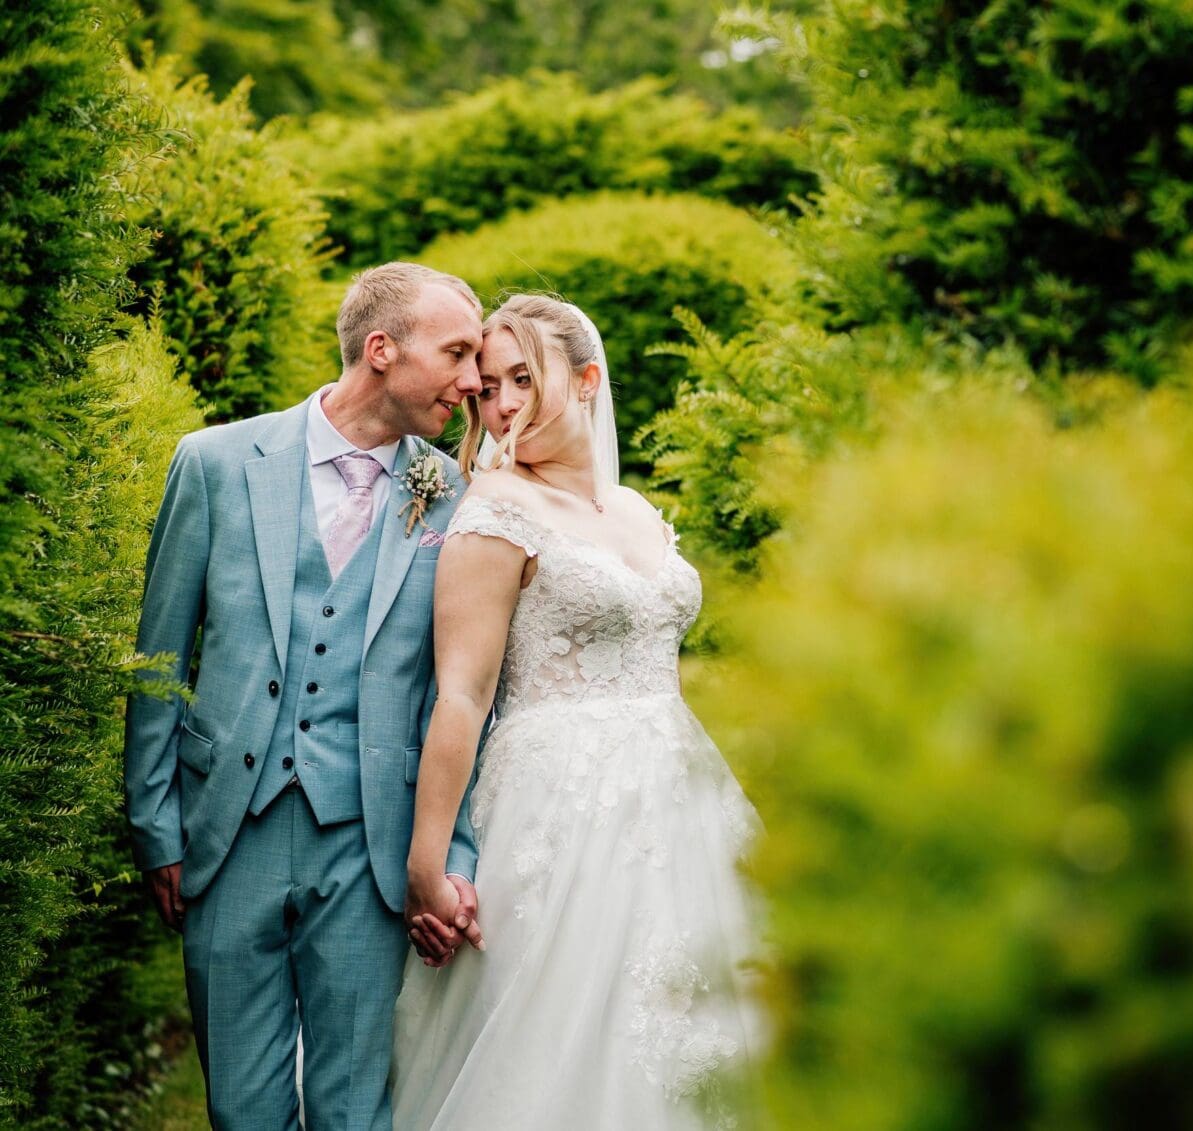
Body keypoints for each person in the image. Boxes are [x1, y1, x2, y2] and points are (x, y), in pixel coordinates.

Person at [123, 262, 488, 1129]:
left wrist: (453, 859)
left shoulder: (458, 500)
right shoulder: (213, 462)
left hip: (371, 845)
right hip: (225, 834)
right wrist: (155, 824)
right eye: (458, 353)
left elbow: (468, 695)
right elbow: (160, 655)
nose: (473, 382)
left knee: (353, 1109)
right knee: (240, 1109)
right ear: (381, 349)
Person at [390, 294, 763, 1128]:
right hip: (556, 806)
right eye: (487, 387)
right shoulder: (495, 509)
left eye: (524, 378)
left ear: (589, 379)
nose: (503, 404)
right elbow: (462, 692)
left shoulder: (632, 510)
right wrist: (426, 865)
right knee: (555, 1024)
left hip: (679, 800)